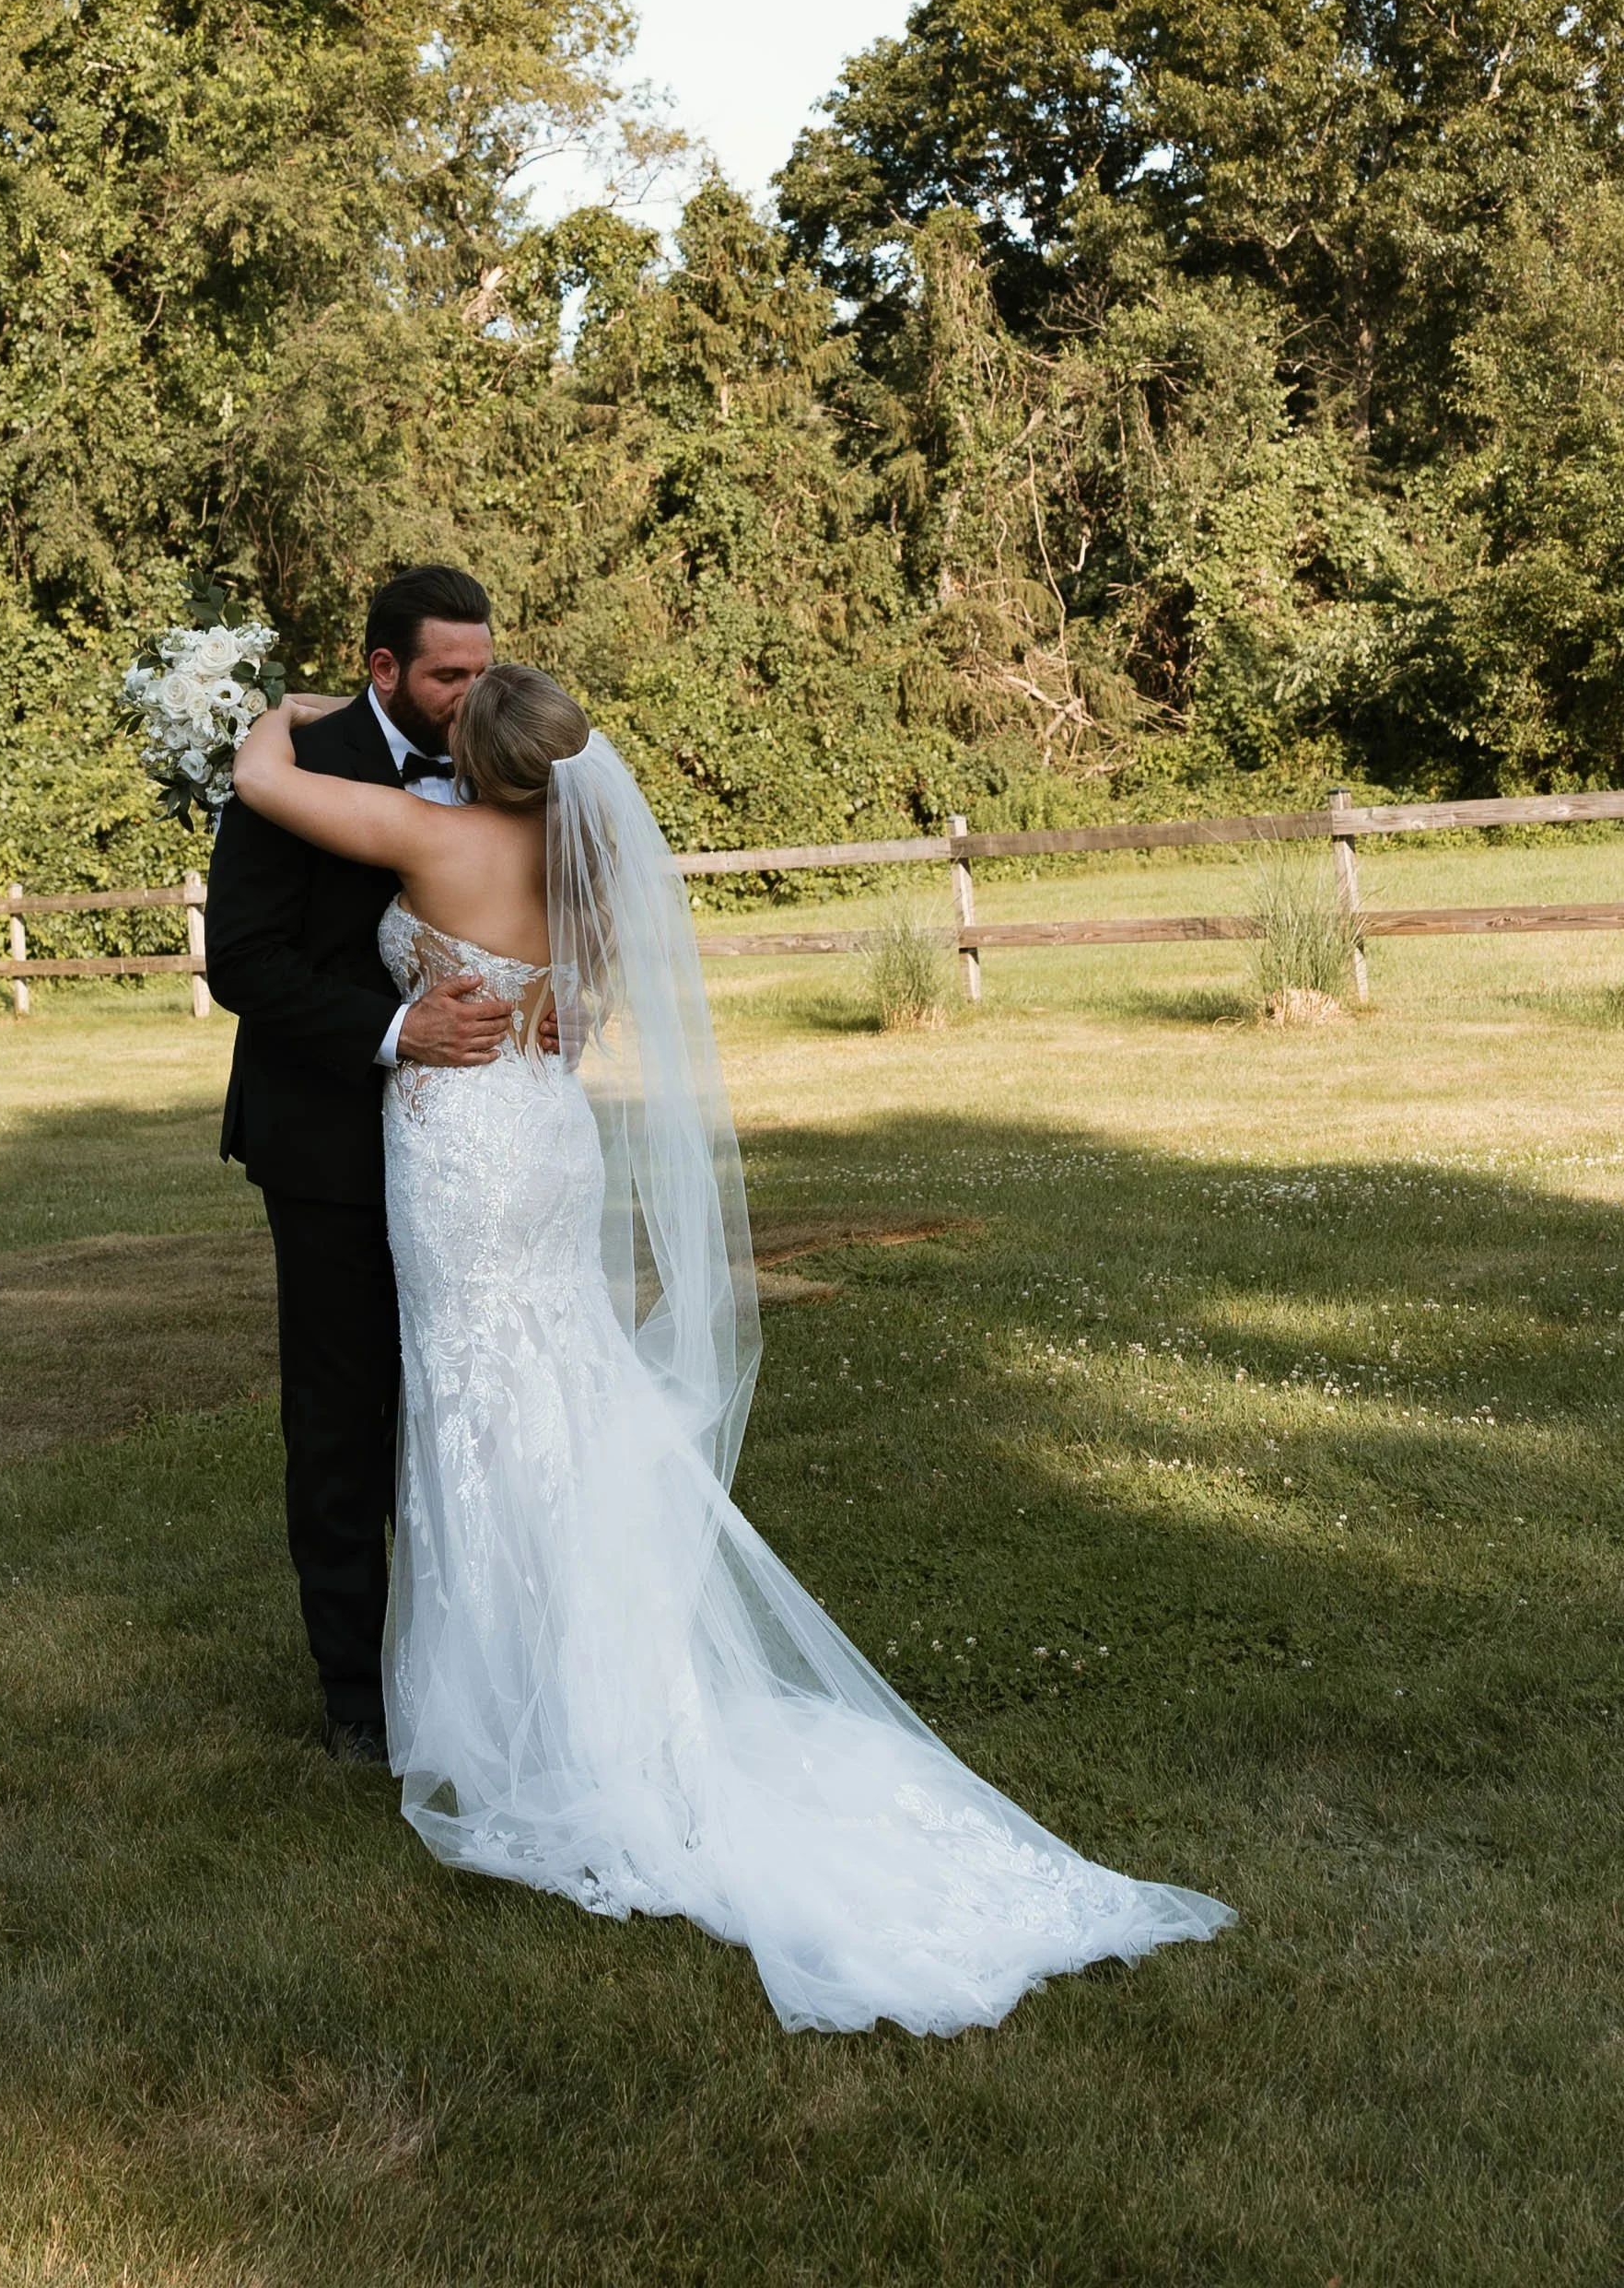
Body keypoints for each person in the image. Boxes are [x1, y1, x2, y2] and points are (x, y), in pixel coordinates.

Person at [230, 662, 1233, 2038]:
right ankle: (583, 1671)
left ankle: (526, 1707)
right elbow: (569, 1004)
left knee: (482, 1407)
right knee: (557, 1396)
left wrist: (277, 712)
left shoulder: (437, 836)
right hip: (544, 1138)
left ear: (471, 744)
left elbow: (263, 787)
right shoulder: (576, 860)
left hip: (462, 1153)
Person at [203, 564, 513, 1764]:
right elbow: (244, 961)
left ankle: (476, 1658)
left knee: (468, 1400)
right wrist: (394, 1034)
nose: (470, 692)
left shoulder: (502, 749)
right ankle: (356, 1700)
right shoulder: (296, 771)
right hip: (328, 1138)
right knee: (342, 1419)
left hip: (479, 1142)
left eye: (482, 669)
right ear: (384, 668)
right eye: (449, 673)